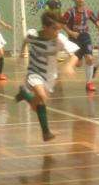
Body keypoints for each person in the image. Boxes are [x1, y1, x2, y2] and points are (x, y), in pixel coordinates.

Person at [14, 11, 79, 142]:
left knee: (39, 102)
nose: (57, 32)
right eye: (54, 29)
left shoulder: (59, 39)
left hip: (50, 76)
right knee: (41, 97)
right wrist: (22, 53)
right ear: (45, 27)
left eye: (59, 29)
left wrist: (70, 65)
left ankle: (25, 95)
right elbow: (25, 40)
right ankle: (45, 128)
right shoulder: (33, 35)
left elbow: (75, 55)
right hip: (34, 72)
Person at [63, 0, 99, 92]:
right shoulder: (70, 12)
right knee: (78, 64)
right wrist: (70, 32)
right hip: (74, 38)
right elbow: (62, 24)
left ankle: (89, 83)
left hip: (85, 37)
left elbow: (97, 22)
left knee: (89, 58)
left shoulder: (88, 12)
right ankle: (74, 60)